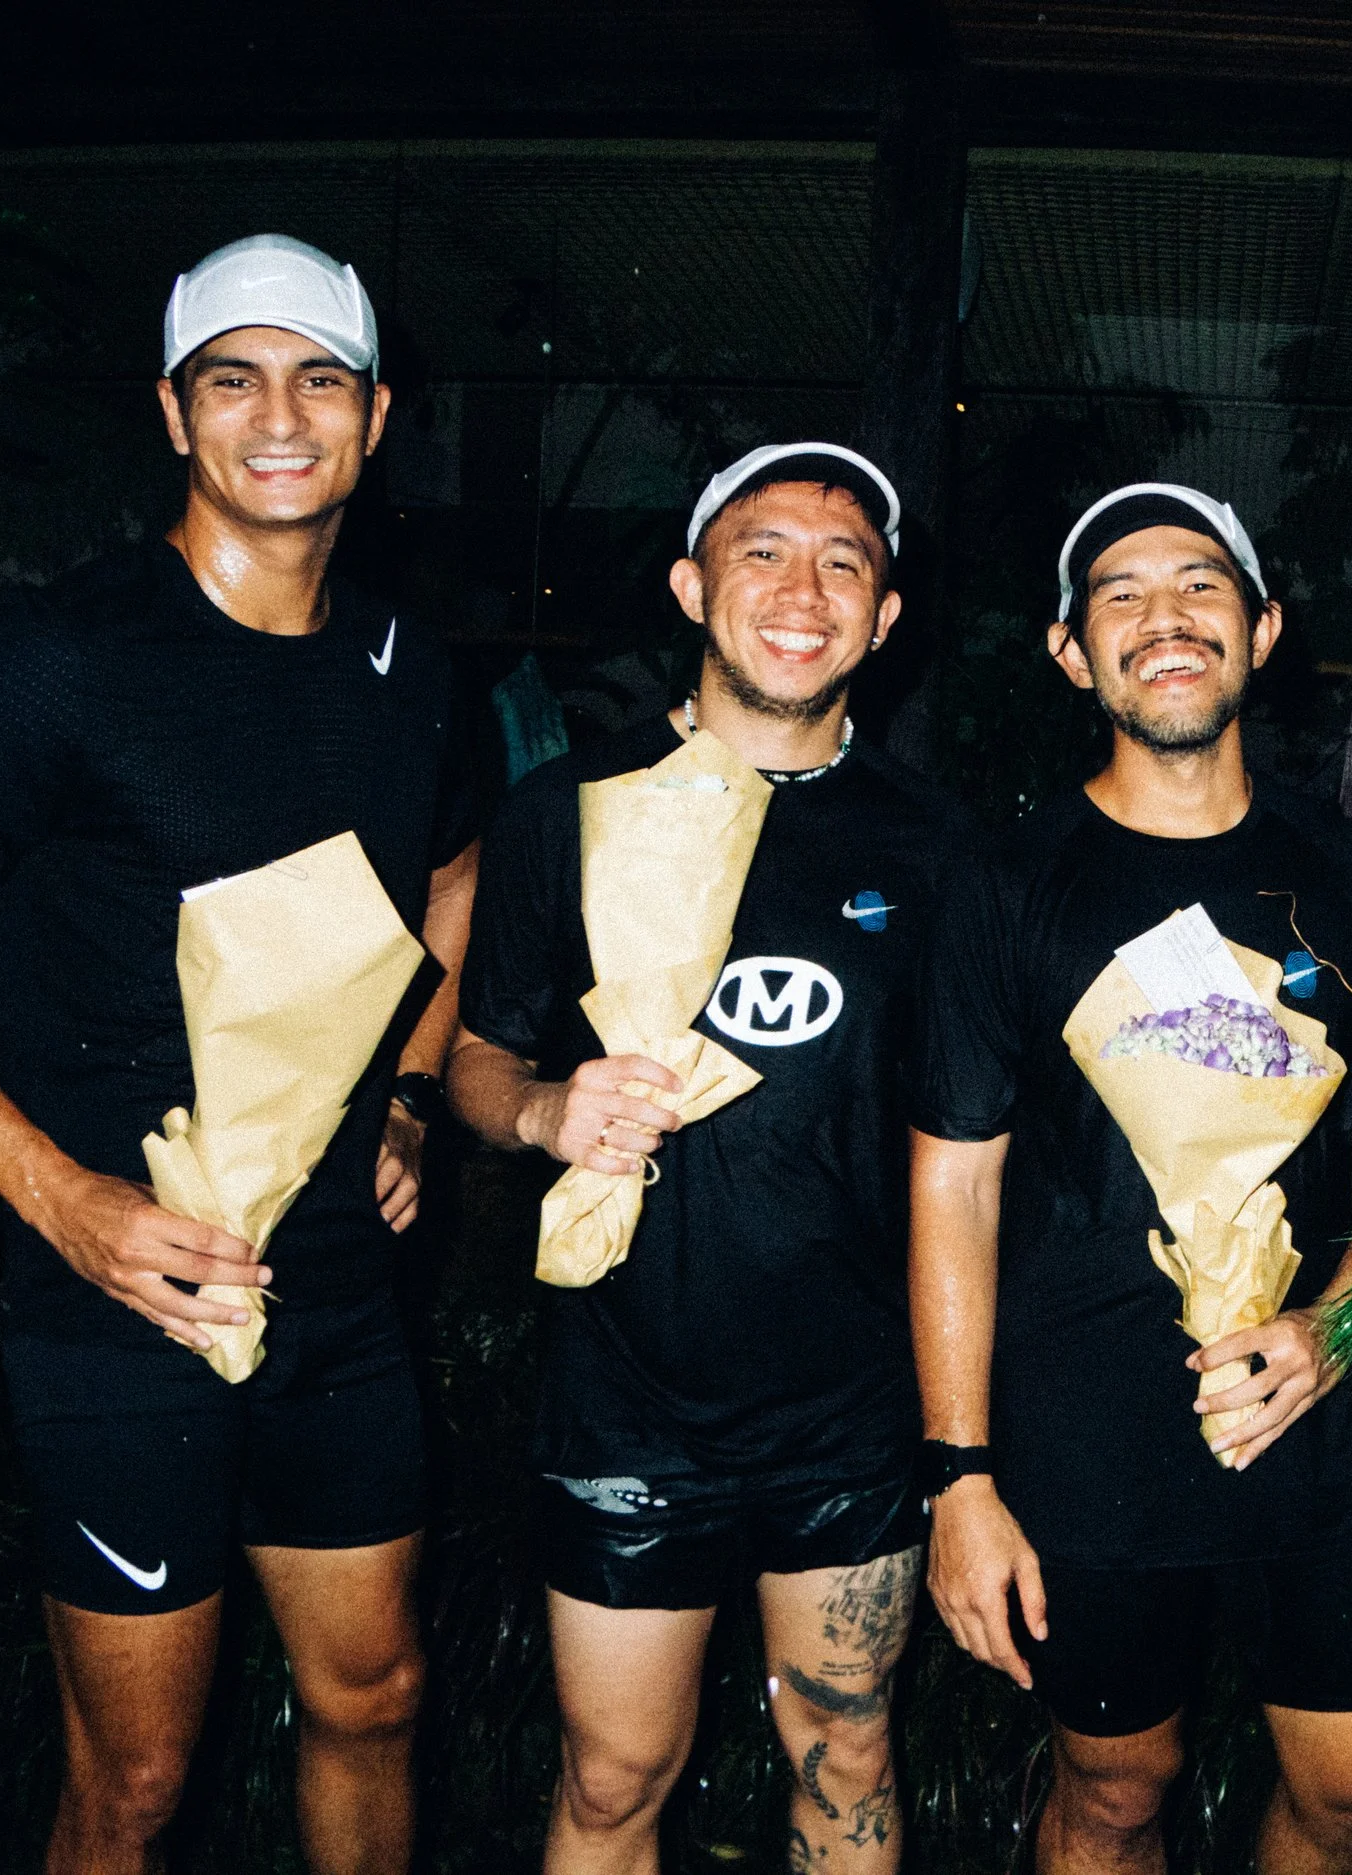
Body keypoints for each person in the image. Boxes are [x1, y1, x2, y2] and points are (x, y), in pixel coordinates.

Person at [0, 234, 478, 1875]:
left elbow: (452, 880)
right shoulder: (52, 659)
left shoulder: (412, 675)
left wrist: (409, 1091)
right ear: (177, 413)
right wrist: (62, 1202)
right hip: (120, 1304)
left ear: (376, 415)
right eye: (234, 378)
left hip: (336, 1287)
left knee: (377, 1698)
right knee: (136, 1783)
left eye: (320, 377)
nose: (280, 415)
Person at [449, 442, 962, 1875]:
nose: (803, 591)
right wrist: (548, 1112)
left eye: (843, 563)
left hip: (853, 1408)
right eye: (761, 552)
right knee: (615, 1779)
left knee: (846, 1750)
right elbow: (475, 1060)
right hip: (628, 1392)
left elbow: (974, 1143)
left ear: (885, 615)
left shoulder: (939, 850)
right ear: (691, 583)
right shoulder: (567, 813)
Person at [910, 483, 1352, 1874]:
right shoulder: (1006, 881)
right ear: (1071, 652)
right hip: (1085, 1424)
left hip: (1315, 1398)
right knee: (1120, 1790)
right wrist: (960, 1477)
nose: (1166, 618)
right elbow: (951, 1190)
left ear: (1263, 631)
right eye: (1120, 595)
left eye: (1201, 586)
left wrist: (1337, 1331)